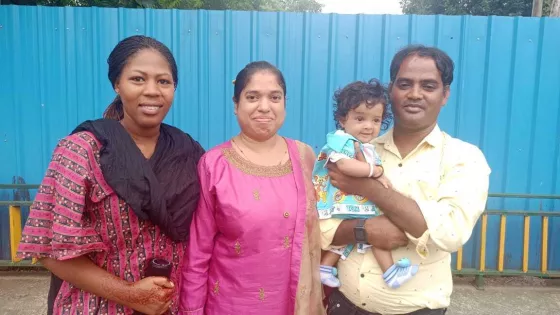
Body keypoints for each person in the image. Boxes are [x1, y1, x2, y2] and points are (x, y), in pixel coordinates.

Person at [16, 35, 204, 315]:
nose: (152, 91)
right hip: (94, 307)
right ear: (117, 84)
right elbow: (48, 250)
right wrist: (130, 294)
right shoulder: (82, 151)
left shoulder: (190, 153)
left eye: (163, 81)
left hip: (169, 307)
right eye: (138, 79)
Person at [321, 45, 491, 315]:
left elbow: (449, 232)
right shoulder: (358, 150)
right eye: (404, 84)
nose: (414, 94)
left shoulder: (464, 157)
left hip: (417, 310)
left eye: (428, 85)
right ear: (391, 90)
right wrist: (362, 230)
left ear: (445, 94)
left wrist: (368, 188)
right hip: (343, 304)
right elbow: (321, 221)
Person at [179, 61, 325, 315]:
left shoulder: (305, 157)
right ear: (236, 105)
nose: (264, 107)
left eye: (274, 97)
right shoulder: (215, 164)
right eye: (253, 97)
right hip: (230, 305)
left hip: (296, 304)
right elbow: (198, 250)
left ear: (285, 103)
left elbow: (321, 233)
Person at [313, 79, 418, 290]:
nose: (369, 126)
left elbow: (372, 172)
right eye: (360, 118)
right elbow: (345, 166)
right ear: (343, 119)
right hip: (338, 200)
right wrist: (375, 171)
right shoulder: (341, 140)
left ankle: (325, 268)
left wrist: (381, 179)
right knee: (376, 230)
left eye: (376, 120)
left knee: (353, 237)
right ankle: (390, 272)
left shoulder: (363, 145)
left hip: (349, 200)